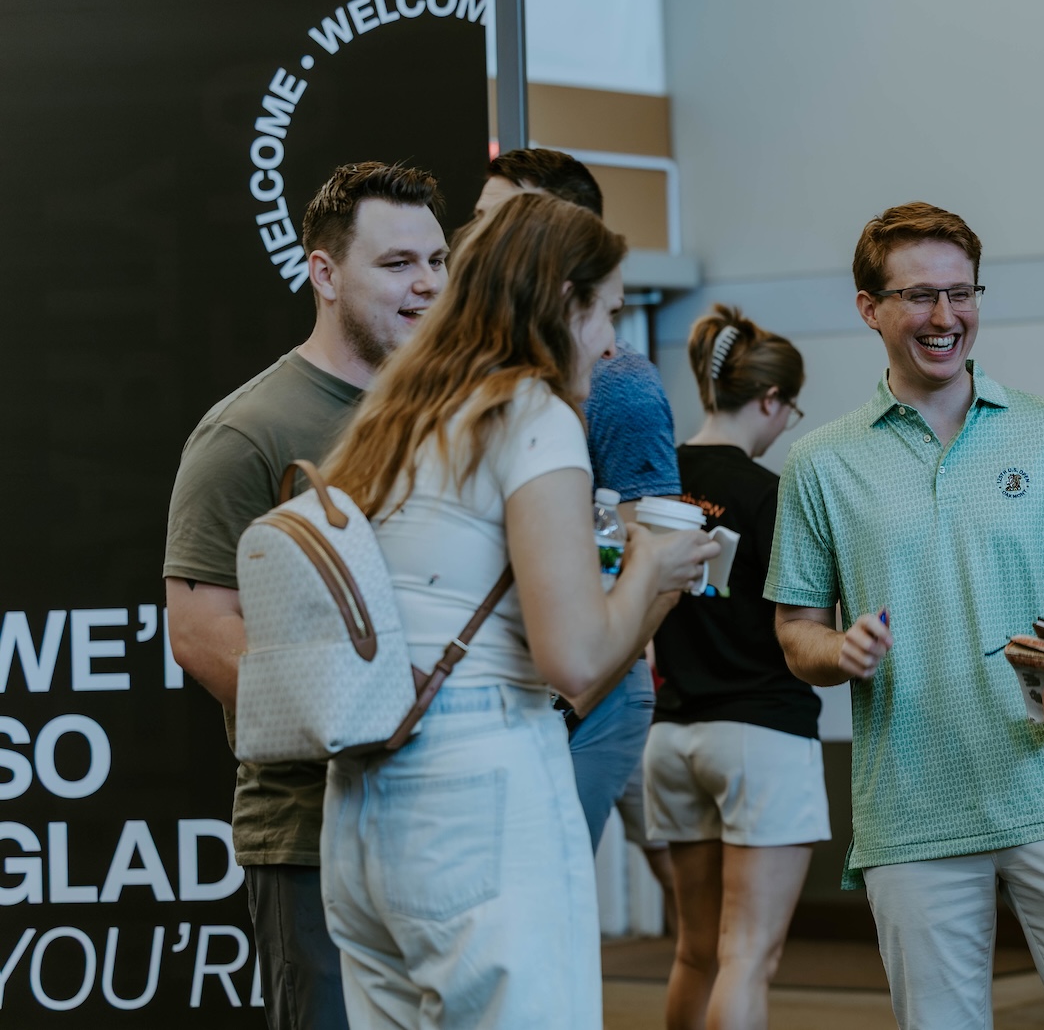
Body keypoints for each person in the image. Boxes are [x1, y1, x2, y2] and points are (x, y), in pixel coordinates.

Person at [316, 192, 717, 1027]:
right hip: (477, 792)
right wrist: (652, 564)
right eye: (606, 313)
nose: (612, 345)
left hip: (361, 806)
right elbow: (573, 660)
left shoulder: (392, 415)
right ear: (564, 302)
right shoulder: (528, 413)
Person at [765, 202, 1044, 1029]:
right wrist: (836, 649)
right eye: (918, 296)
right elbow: (795, 630)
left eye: (961, 292)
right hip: (911, 809)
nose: (945, 317)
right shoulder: (821, 462)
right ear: (868, 308)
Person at [163, 162, 449, 1030]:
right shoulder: (249, 431)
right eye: (398, 263)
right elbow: (202, 631)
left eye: (438, 260)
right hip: (310, 836)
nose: (428, 284)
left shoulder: (453, 410)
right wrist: (356, 708)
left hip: (450, 819)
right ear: (324, 275)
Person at [477, 150, 682, 890]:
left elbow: (652, 559)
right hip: (508, 687)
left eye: (501, 219)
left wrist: (570, 702)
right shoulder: (467, 376)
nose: (477, 240)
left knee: (538, 909)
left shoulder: (617, 386)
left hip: (582, 693)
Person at [646, 304, 825, 1029]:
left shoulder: (657, 480)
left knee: (695, 951)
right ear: (771, 400)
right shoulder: (771, 493)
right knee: (748, 955)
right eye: (790, 409)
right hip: (760, 733)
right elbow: (806, 619)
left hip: (671, 737)